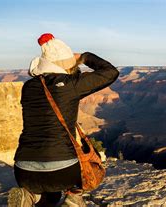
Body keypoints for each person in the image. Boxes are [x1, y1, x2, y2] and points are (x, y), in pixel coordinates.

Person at [7, 33, 119, 207]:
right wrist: (84, 57)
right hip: (63, 171)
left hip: (23, 171)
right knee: (87, 170)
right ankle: (74, 198)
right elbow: (111, 72)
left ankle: (30, 195)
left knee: (49, 192)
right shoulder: (70, 84)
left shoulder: (28, 87)